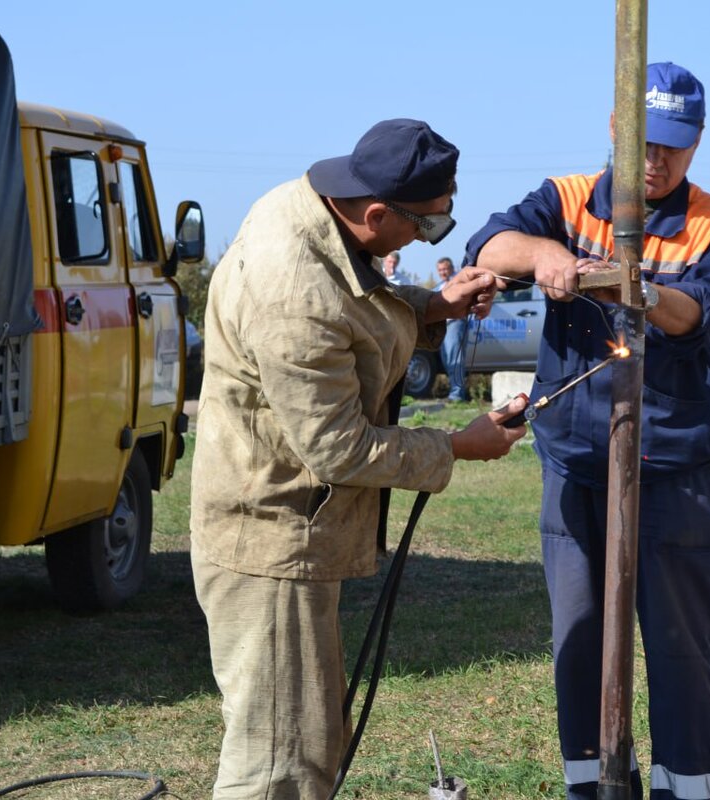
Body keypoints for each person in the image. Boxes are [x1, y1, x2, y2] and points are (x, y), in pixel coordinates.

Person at [190, 118, 528, 800]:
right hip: (269, 542)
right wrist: (457, 445)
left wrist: (435, 306)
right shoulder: (293, 294)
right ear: (375, 211)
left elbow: (356, 301)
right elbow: (338, 447)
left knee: (305, 738)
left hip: (290, 529)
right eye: (427, 228)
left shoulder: (307, 208)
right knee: (279, 766)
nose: (428, 239)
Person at [464, 62, 710, 800]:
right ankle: (592, 786)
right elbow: (491, 246)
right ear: (616, 129)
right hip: (575, 468)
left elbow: (699, 316)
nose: (655, 162)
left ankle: (692, 789)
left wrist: (645, 292)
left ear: (697, 144)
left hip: (673, 476)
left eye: (674, 148)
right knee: (579, 640)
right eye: (644, 143)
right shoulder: (564, 200)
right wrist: (548, 257)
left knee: (684, 653)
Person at [435, 256, 469, 401]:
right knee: (447, 360)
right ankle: (456, 391)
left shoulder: (459, 283)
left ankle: (457, 394)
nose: (443, 272)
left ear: (451, 268)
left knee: (455, 358)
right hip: (442, 325)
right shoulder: (439, 286)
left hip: (455, 323)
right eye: (440, 270)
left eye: (445, 269)